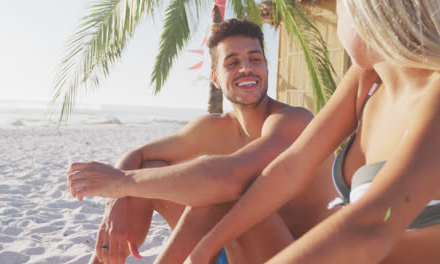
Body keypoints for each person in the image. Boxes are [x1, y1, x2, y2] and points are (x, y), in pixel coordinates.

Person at [185, 0, 440, 263]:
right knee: (229, 199)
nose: (338, 21)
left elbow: (372, 225)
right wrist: (206, 247)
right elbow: (291, 166)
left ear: (365, 13)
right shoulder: (367, 80)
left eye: (341, 9)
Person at [67, 19, 337, 264]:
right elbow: (139, 155)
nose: (246, 68)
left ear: (266, 67)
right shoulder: (213, 128)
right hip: (223, 251)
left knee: (231, 187)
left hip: (294, 255)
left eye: (255, 59)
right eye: (232, 62)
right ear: (216, 78)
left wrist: (120, 183)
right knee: (152, 167)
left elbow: (230, 180)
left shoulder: (292, 121)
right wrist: (116, 202)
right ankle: (106, 260)